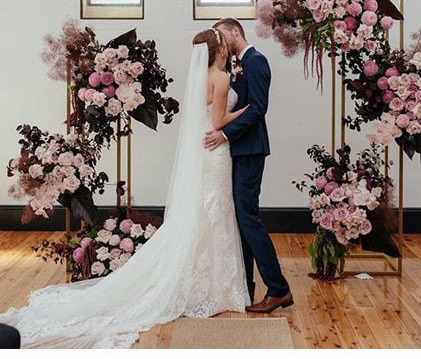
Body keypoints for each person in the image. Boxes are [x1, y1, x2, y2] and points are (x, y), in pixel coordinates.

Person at [0, 29, 249, 348]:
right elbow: (217, 121)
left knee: (206, 214)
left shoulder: (201, 78)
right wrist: (248, 111)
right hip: (215, 152)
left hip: (205, 153)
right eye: (227, 44)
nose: (230, 47)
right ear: (220, 49)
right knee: (214, 213)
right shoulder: (222, 78)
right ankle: (217, 287)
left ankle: (209, 283)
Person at [204, 18, 292, 313]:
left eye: (223, 35)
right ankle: (247, 286)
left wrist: (225, 133)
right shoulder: (235, 65)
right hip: (236, 151)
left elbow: (258, 108)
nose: (222, 42)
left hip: (251, 149)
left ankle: (278, 289)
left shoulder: (256, 61)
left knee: (248, 218)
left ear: (236, 32)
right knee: (241, 220)